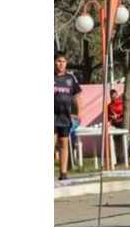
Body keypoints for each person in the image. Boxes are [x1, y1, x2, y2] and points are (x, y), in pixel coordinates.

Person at [54, 51, 81, 180]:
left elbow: (77, 97)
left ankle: (63, 173)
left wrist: (78, 114)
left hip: (65, 116)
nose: (61, 64)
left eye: (63, 61)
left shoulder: (71, 78)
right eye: (58, 61)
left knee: (64, 143)